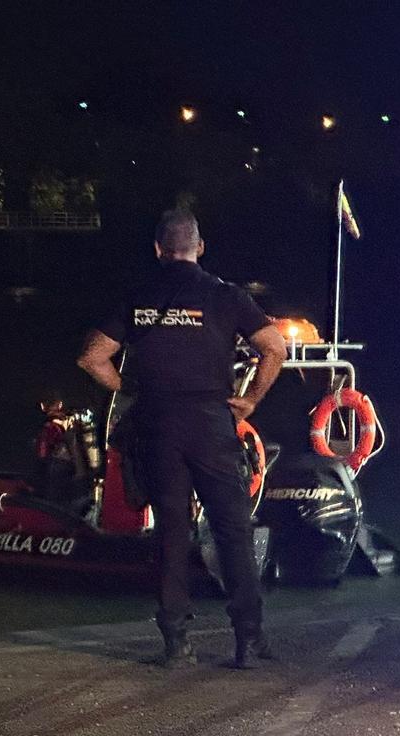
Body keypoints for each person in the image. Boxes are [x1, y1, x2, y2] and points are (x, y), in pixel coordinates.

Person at [77, 209, 286, 668]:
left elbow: (93, 357)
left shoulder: (137, 295)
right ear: (200, 247)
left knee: (172, 532)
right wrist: (249, 401)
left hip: (158, 424)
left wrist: (127, 388)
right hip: (212, 422)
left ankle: (175, 641)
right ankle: (248, 639)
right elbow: (275, 348)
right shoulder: (224, 295)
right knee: (232, 529)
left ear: (157, 249)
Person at [34, 390, 78, 502]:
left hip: (49, 467)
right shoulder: (61, 425)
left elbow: (42, 452)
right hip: (57, 467)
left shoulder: (48, 426)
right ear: (59, 405)